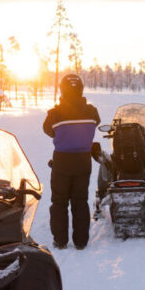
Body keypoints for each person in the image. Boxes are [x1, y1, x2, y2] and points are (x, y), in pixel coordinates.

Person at [42, 73, 100, 249]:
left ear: (62, 90)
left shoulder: (54, 114)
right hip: (83, 160)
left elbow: (48, 130)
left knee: (59, 202)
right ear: (80, 89)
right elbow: (96, 122)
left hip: (62, 160)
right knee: (80, 200)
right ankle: (81, 241)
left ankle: (60, 240)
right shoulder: (92, 111)